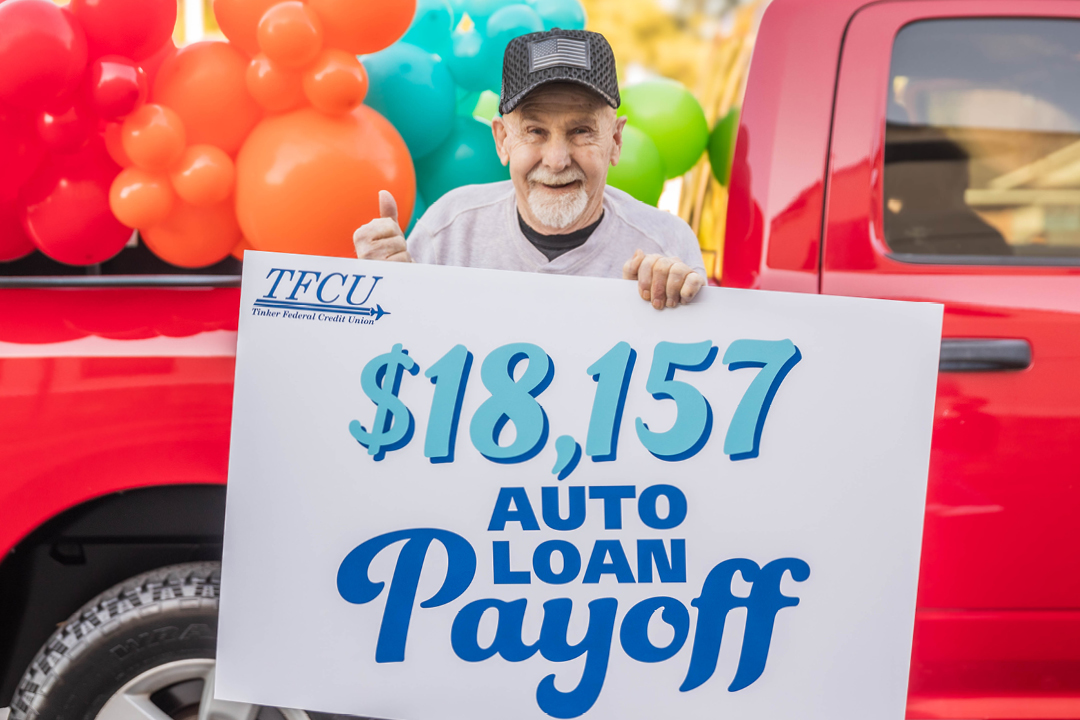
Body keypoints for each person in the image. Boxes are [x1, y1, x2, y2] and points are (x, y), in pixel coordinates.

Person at [353, 28, 707, 310]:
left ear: (615, 140)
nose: (556, 160)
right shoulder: (449, 230)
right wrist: (385, 293)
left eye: (581, 131)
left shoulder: (668, 244)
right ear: (502, 139)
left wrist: (673, 305)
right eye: (535, 131)